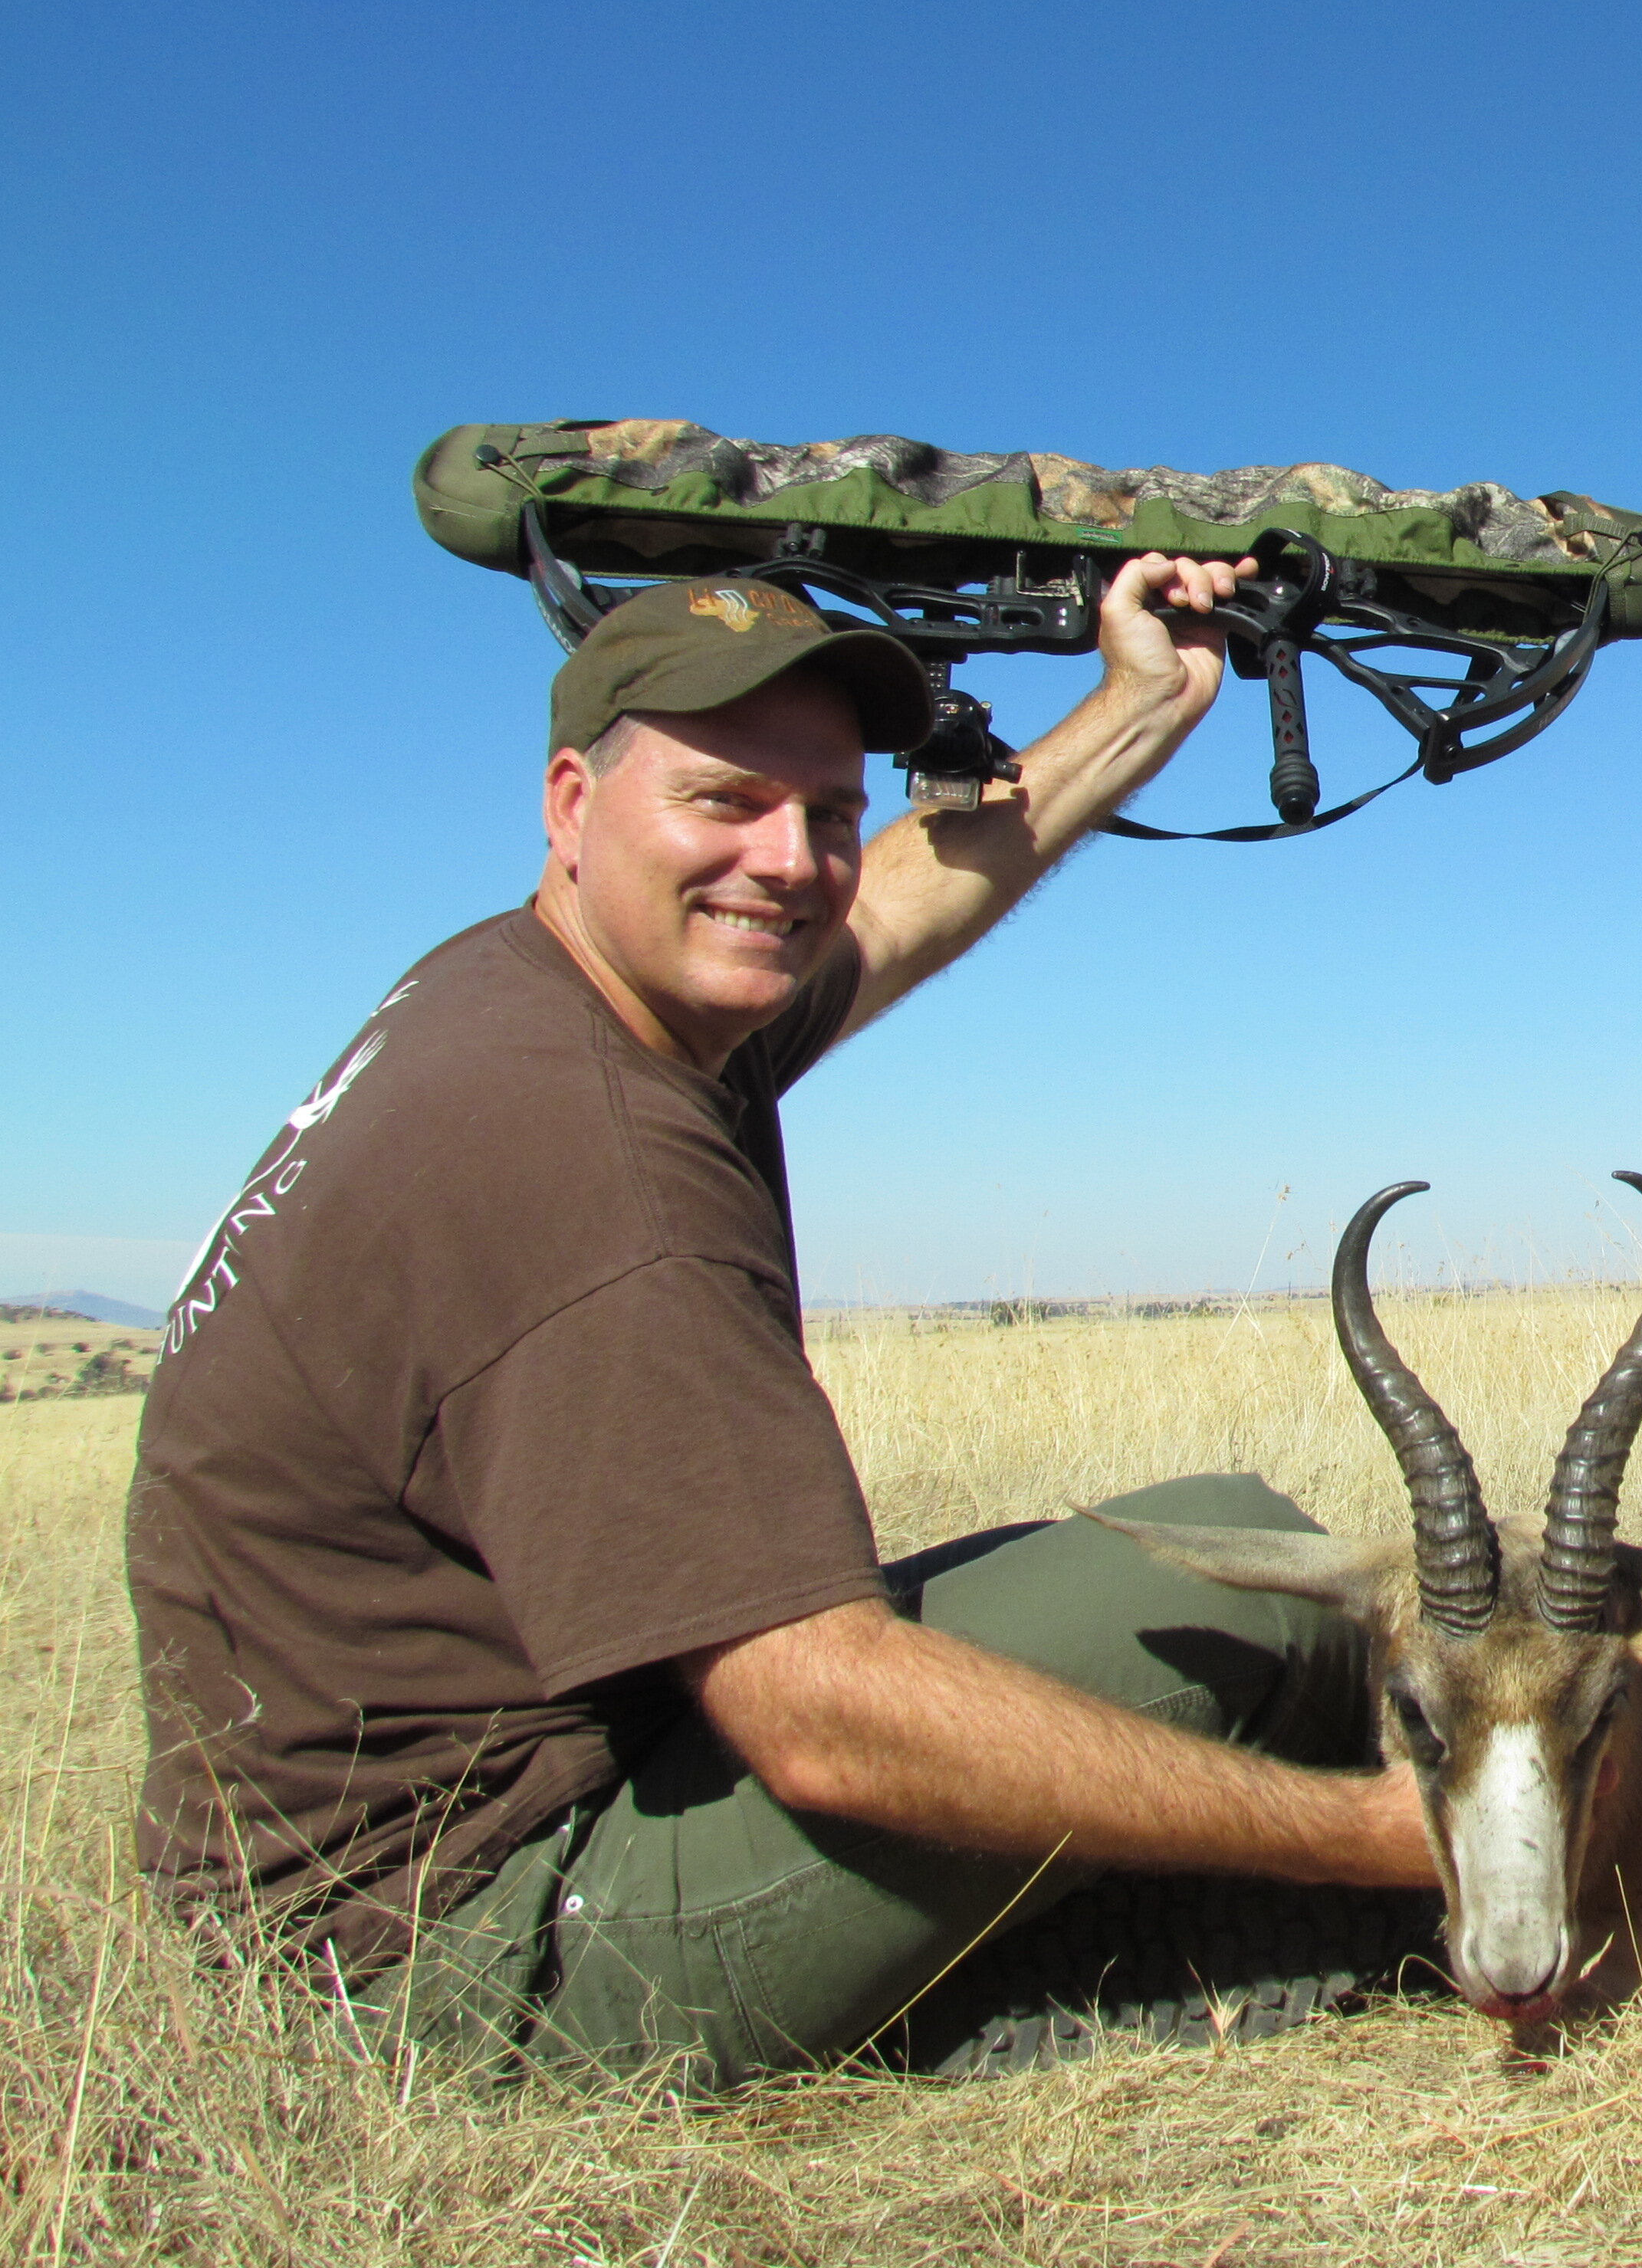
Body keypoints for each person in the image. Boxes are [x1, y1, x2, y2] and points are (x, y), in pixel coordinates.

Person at [125, 558, 1436, 2089]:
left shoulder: (554, 982)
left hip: (382, 1863)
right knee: (1265, 1607)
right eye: (723, 801)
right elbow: (816, 1714)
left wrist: (1140, 706)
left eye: (824, 810)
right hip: (457, 1955)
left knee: (1222, 1537)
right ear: (572, 801)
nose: (791, 861)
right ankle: (1216, 1947)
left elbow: (887, 908)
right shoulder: (587, 1162)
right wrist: (1380, 1839)